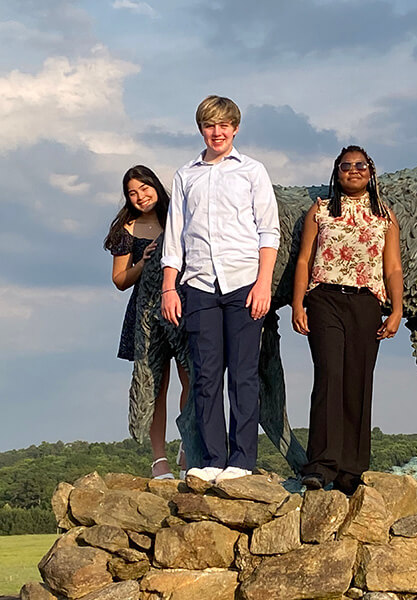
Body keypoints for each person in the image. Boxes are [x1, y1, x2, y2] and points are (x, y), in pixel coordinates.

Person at [161, 95, 280, 484]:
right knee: (206, 375)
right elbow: (175, 236)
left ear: (235, 128)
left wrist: (264, 284)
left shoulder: (252, 171)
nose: (218, 132)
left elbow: (268, 230)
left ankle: (242, 460)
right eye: (211, 125)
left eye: (224, 125)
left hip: (244, 283)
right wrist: (169, 287)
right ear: (202, 129)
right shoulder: (186, 176)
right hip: (197, 284)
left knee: (243, 376)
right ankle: (213, 457)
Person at [291, 145, 403, 494]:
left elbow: (393, 266)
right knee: (329, 376)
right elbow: (304, 258)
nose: (353, 171)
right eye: (345, 166)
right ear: (336, 172)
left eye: (360, 165)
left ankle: (351, 470)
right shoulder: (321, 210)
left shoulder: (385, 215)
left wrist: (397, 309)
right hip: (325, 298)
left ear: (371, 171)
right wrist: (298, 304)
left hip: (366, 302)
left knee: (358, 380)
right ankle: (321, 464)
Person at [104, 165, 190, 479]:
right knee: (155, 385)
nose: (141, 197)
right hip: (144, 314)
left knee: (191, 379)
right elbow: (119, 279)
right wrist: (144, 261)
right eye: (132, 193)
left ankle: (188, 445)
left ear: (155, 185)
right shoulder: (127, 228)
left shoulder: (178, 216)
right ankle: (159, 460)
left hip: (180, 306)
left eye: (145, 188)